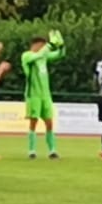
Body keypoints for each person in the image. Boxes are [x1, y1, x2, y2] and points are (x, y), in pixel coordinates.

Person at [22, 30, 65, 159]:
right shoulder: (27, 56)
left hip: (46, 94)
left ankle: (52, 150)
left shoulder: (43, 56)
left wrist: (61, 46)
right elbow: (38, 55)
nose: (43, 49)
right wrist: (50, 45)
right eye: (41, 45)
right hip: (33, 94)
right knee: (33, 122)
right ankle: (32, 150)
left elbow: (59, 55)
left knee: (49, 122)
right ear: (35, 45)